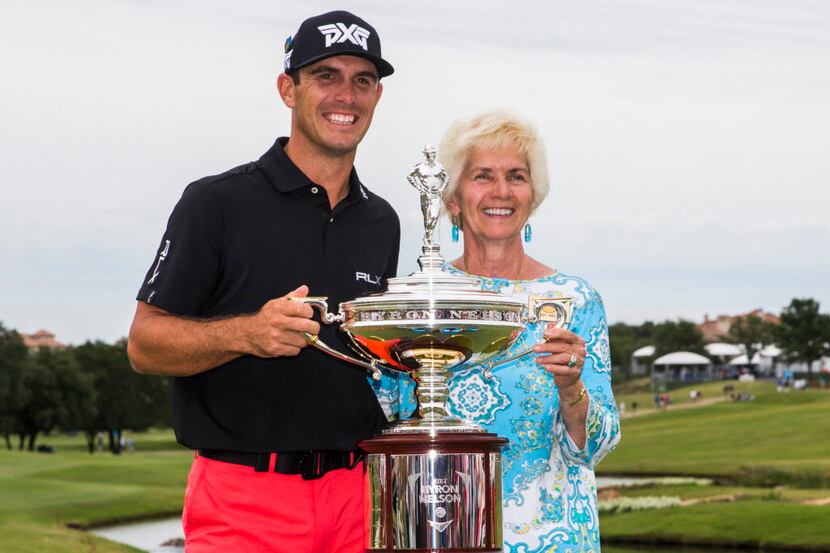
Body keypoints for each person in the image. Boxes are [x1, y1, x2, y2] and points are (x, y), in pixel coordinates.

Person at [127, 10, 398, 553]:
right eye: (326, 76)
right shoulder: (216, 203)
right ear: (287, 89)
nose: (346, 95)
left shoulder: (382, 221)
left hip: (359, 499)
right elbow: (144, 345)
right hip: (244, 497)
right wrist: (246, 334)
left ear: (376, 97)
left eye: (362, 80)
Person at [392, 111, 620, 552]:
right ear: (453, 199)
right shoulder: (419, 302)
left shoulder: (576, 299)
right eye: (483, 176)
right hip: (438, 535)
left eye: (516, 176)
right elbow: (388, 421)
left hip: (554, 539)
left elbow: (598, 444)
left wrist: (572, 389)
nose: (501, 191)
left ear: (533, 197)